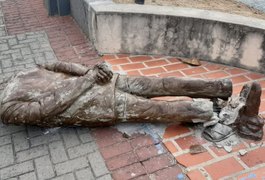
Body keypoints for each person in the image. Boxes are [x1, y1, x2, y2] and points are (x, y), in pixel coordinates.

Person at [0, 62, 232, 128]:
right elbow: (46, 109)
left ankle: (220, 88)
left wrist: (92, 71)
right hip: (97, 103)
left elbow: (57, 65)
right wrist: (89, 78)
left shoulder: (21, 73)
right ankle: (212, 111)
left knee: (162, 84)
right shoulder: (8, 109)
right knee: (160, 110)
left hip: (104, 82)